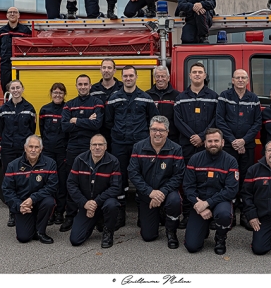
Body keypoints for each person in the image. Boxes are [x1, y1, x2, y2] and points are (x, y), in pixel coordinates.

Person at [105, 65, 159, 229]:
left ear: (136, 77)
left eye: (131, 76)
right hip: (119, 145)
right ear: (121, 78)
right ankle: (120, 214)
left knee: (142, 178)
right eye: (125, 76)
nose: (128, 79)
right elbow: (108, 121)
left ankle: (143, 215)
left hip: (140, 146)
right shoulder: (114, 98)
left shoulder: (145, 98)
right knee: (119, 179)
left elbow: (154, 119)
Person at [128, 116, 185, 249]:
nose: (157, 133)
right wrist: (150, 192)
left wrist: (161, 193)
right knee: (148, 236)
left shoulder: (176, 149)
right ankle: (158, 214)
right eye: (154, 129)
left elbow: (178, 176)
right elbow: (133, 173)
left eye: (161, 130)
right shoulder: (138, 147)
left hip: (168, 192)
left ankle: (171, 231)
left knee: (175, 201)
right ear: (149, 130)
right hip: (147, 194)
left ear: (167, 132)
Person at [174, 62, 218, 228]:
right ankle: (187, 213)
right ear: (190, 76)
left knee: (209, 179)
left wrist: (202, 137)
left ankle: (211, 213)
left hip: (207, 145)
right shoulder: (180, 98)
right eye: (195, 72)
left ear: (205, 75)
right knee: (188, 180)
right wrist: (192, 136)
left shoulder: (213, 96)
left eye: (200, 72)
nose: (197, 75)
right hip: (187, 145)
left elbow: (216, 119)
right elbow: (178, 121)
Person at [216, 69, 262, 229]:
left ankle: (244, 213)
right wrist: (234, 141)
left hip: (247, 146)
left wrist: (243, 141)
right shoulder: (224, 96)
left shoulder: (253, 98)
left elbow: (257, 123)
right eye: (238, 78)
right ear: (232, 80)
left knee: (245, 180)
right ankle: (229, 213)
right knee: (229, 178)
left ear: (247, 80)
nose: (241, 80)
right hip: (229, 146)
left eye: (243, 77)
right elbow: (219, 120)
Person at [183, 128, 239, 255]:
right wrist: (199, 206)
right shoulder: (195, 159)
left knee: (224, 214)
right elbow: (188, 186)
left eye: (216, 141)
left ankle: (220, 238)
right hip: (199, 201)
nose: (213, 144)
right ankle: (204, 228)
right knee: (191, 246)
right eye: (210, 141)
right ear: (205, 143)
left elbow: (231, 190)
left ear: (223, 142)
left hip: (220, 202)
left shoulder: (231, 161)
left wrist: (207, 203)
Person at [60, 74, 104, 232]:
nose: (83, 86)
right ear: (76, 86)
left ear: (90, 86)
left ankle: (95, 215)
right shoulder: (69, 105)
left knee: (94, 182)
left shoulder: (97, 103)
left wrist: (76, 121)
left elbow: (97, 124)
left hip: (92, 149)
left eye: (86, 84)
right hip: (73, 148)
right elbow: (64, 126)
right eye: (80, 84)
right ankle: (70, 216)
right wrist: (87, 121)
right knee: (73, 182)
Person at [67, 134, 122, 249]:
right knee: (75, 240)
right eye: (94, 144)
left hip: (103, 203)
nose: (97, 147)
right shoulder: (80, 160)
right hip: (86, 204)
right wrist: (85, 203)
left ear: (106, 147)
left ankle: (108, 232)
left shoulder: (113, 161)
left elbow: (116, 187)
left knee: (112, 204)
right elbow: (71, 184)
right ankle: (95, 221)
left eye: (100, 144)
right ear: (90, 147)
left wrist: (96, 202)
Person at [2, 135, 58, 244]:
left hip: (40, 201)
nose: (33, 150)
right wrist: (19, 206)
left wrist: (33, 198)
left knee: (49, 202)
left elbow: (52, 186)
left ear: (41, 149)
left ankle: (40, 232)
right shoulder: (13, 165)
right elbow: (7, 190)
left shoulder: (50, 163)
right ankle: (31, 222)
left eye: (36, 147)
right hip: (23, 204)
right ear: (25, 148)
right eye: (30, 146)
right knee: (23, 238)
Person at [0, 79, 37, 227]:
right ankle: (13, 212)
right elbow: (1, 128)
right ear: (10, 90)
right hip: (8, 148)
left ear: (22, 89)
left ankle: (27, 209)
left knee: (25, 179)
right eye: (12, 88)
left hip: (23, 149)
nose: (15, 90)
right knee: (10, 180)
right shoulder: (4, 108)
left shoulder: (29, 108)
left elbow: (32, 129)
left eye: (18, 87)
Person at [39, 83, 69, 226]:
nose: (58, 95)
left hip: (62, 151)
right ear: (51, 93)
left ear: (64, 94)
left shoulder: (68, 109)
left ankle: (60, 213)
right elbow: (42, 130)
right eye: (55, 92)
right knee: (49, 182)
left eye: (61, 93)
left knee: (62, 182)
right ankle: (50, 212)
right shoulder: (44, 109)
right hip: (48, 152)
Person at [0, 7, 32, 93]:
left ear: (18, 15)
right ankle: (7, 105)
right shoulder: (1, 31)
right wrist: (5, 55)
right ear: (7, 15)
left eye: (15, 12)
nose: (12, 14)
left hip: (21, 64)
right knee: (6, 87)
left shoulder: (25, 31)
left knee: (22, 87)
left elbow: (30, 47)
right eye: (10, 12)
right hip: (5, 65)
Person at [146, 65, 180, 144]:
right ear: (154, 78)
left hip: (172, 138)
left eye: (163, 76)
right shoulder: (147, 96)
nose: (160, 79)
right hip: (152, 138)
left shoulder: (177, 96)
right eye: (157, 76)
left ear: (168, 78)